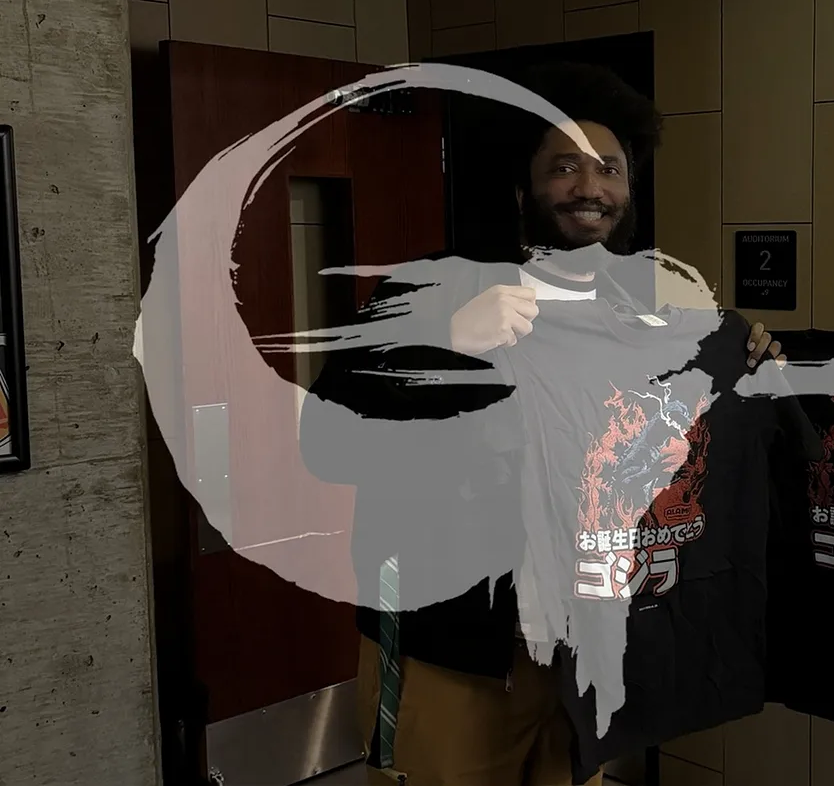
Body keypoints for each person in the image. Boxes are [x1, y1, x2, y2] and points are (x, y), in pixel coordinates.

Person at [303, 62, 779, 786]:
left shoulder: (645, 316)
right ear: (523, 192)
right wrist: (445, 343)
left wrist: (753, 361)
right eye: (564, 167)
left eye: (609, 169)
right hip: (446, 651)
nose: (589, 187)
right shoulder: (434, 288)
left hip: (580, 659)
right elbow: (326, 439)